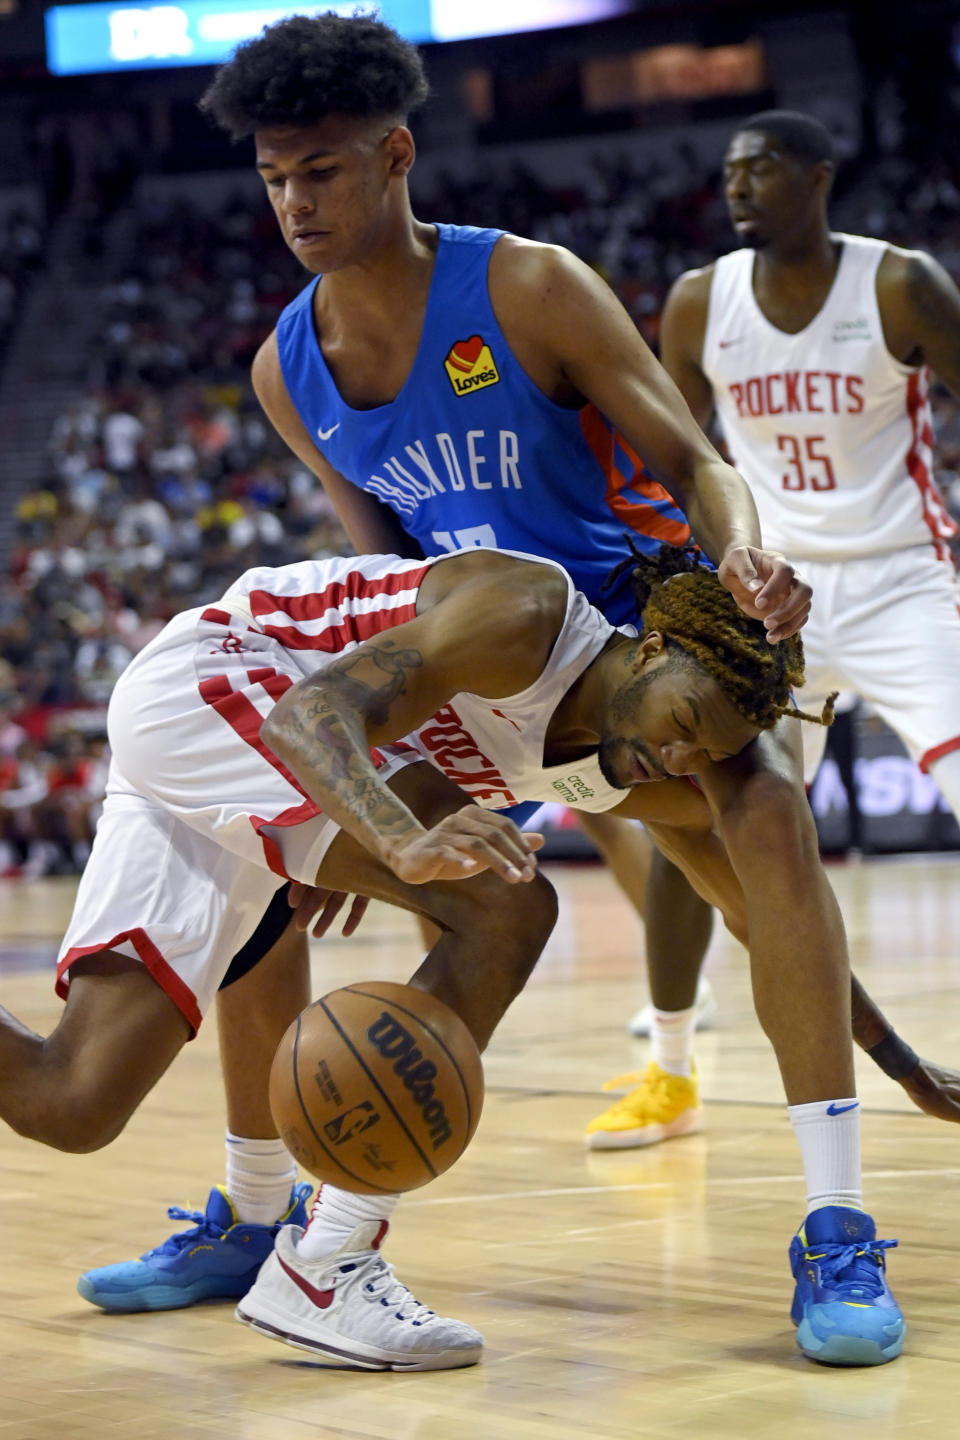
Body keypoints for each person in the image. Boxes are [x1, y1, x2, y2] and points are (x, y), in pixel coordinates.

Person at [77, 16, 957, 1353]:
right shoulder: (286, 368)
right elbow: (382, 582)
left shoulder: (529, 286)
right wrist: (363, 799)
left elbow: (687, 451)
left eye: (321, 170)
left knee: (765, 841)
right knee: (269, 868)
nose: (294, 202)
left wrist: (743, 555)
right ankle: (270, 1222)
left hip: (631, 645)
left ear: (396, 155)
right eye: (274, 178)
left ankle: (834, 1234)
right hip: (477, 672)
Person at [0, 540, 906, 1368]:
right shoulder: (528, 613)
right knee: (507, 911)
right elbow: (309, 717)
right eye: (685, 719)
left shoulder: (626, 761)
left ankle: (288, 1240)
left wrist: (896, 1060)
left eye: (704, 752)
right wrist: (387, 836)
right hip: (223, 679)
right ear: (656, 647)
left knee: (71, 1101)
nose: (677, 756)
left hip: (220, 737)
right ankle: (323, 1260)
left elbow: (772, 926)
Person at [589, 107, 960, 1147]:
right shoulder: (701, 301)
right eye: (729, 171)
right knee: (692, 811)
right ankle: (670, 1071)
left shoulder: (899, 284)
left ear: (819, 178)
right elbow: (677, 454)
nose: (739, 185)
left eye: (761, 168)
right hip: (766, 594)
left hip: (897, 580)